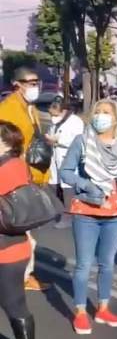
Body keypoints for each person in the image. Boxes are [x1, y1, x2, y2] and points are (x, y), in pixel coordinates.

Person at [60, 99, 117, 335]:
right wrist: (87, 185)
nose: (100, 116)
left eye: (106, 113)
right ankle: (80, 312)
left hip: (116, 212)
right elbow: (66, 172)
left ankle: (103, 308)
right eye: (97, 112)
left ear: (116, 118)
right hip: (86, 211)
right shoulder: (82, 142)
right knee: (84, 265)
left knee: (107, 263)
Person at [0, 67, 49, 292]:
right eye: (29, 82)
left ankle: (23, 274)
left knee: (27, 230)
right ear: (16, 84)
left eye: (36, 81)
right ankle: (22, 276)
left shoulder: (31, 109)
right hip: (18, 178)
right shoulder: (8, 110)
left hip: (33, 174)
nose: (35, 86)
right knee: (23, 231)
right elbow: (8, 146)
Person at [0, 121, 41, 339]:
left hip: (8, 250)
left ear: (5, 142)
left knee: (13, 303)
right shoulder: (12, 164)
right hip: (12, 247)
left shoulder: (9, 167)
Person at [46, 102, 85, 229]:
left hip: (68, 157)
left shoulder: (76, 122)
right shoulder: (55, 122)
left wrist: (59, 141)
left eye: (55, 115)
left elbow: (78, 141)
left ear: (63, 111)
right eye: (51, 115)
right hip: (55, 156)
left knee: (67, 187)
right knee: (53, 184)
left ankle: (69, 216)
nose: (53, 117)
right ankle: (61, 211)